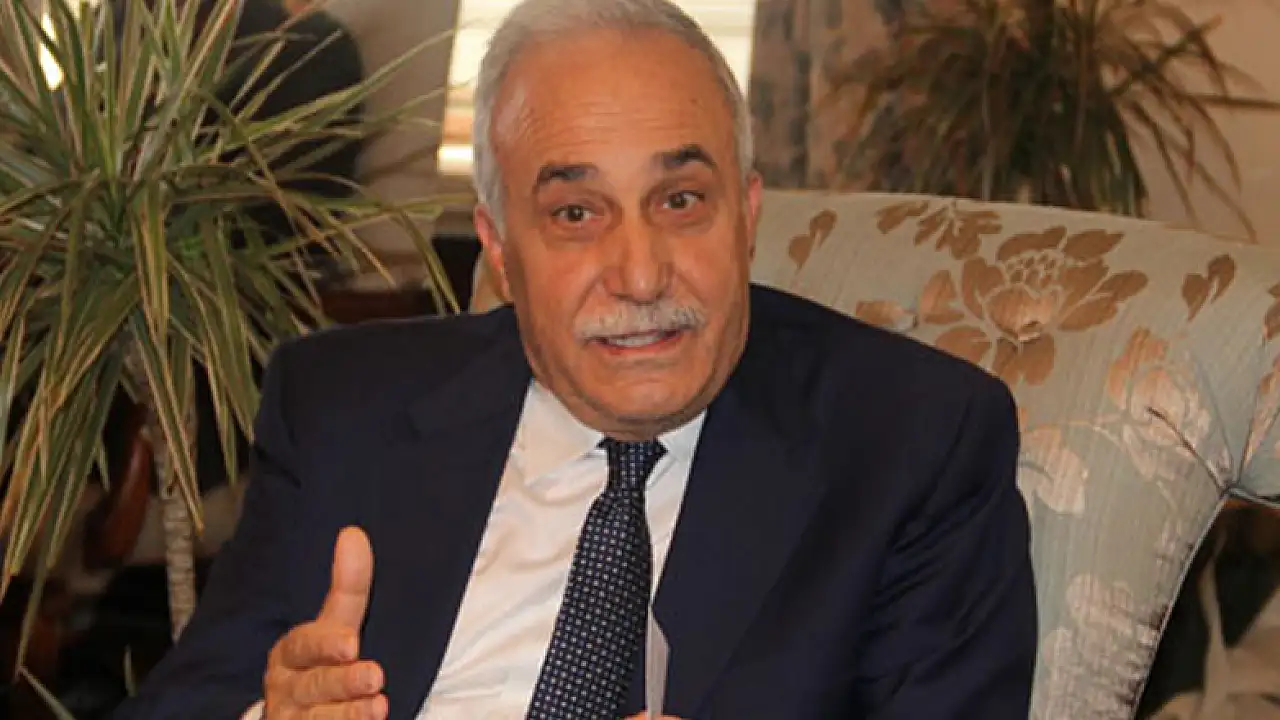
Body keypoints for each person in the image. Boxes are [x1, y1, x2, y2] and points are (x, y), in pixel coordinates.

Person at [114, 0, 1037, 717]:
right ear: (499, 249)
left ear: (747, 215)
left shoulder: (913, 443)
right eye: (575, 214)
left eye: (681, 200)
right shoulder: (344, 407)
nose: (639, 274)